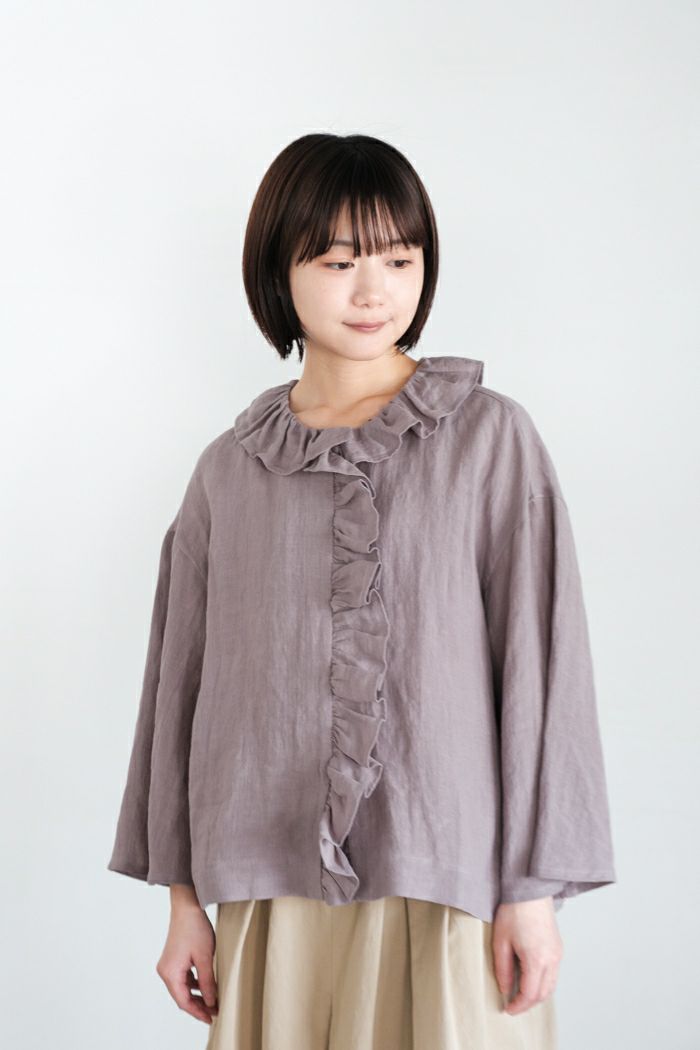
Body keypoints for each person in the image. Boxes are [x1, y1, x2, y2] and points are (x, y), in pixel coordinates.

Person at [107, 133, 617, 1049]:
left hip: (451, 881)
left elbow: (542, 668)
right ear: (280, 270)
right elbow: (176, 692)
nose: (374, 290)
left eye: (400, 259)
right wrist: (184, 903)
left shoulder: (490, 441)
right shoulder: (229, 472)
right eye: (339, 263)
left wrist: (532, 893)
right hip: (269, 892)